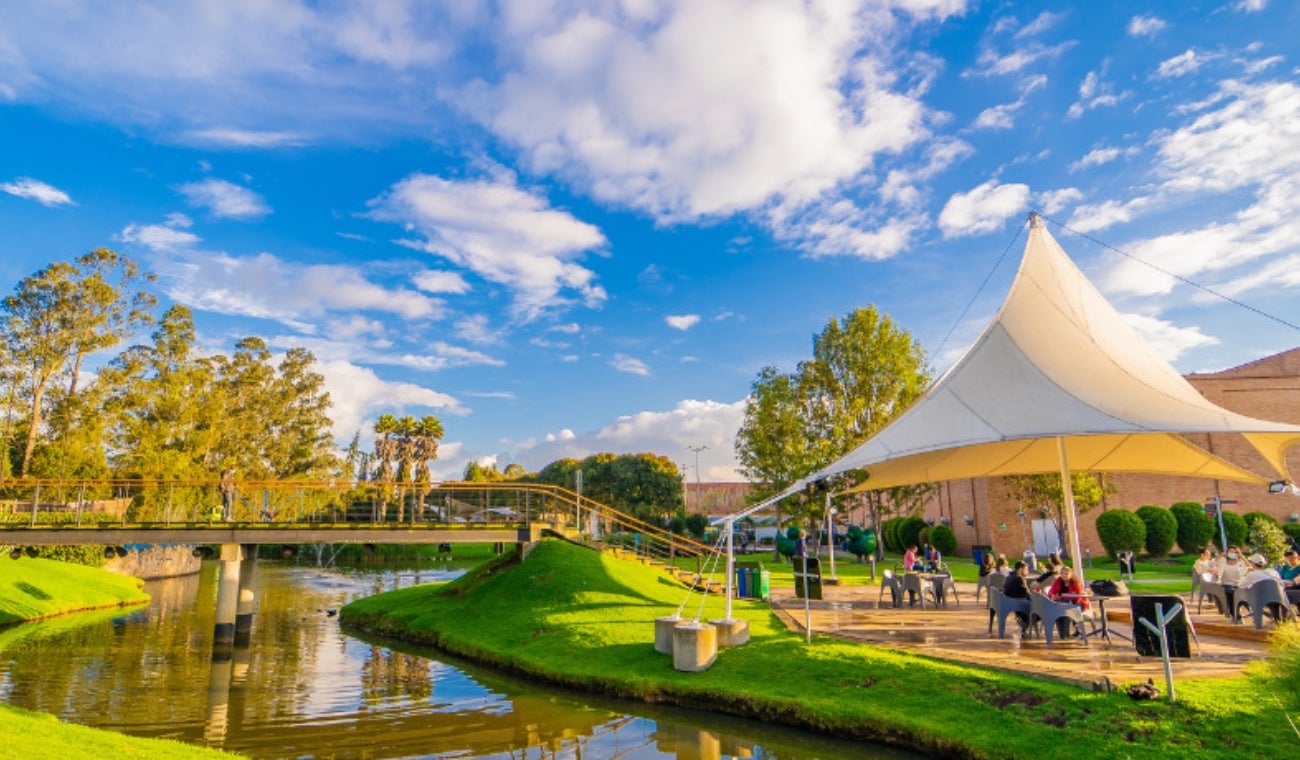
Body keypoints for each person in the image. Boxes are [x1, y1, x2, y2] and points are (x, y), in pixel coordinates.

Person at [1002, 561, 1033, 632]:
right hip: (1017, 602)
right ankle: (1027, 623)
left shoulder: (1010, 576)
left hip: (1009, 601)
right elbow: (1026, 592)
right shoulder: (1019, 578)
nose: (1027, 572)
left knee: (1028, 603)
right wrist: (1034, 597)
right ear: (1020, 569)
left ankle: (1023, 621)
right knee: (1036, 607)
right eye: (1026, 569)